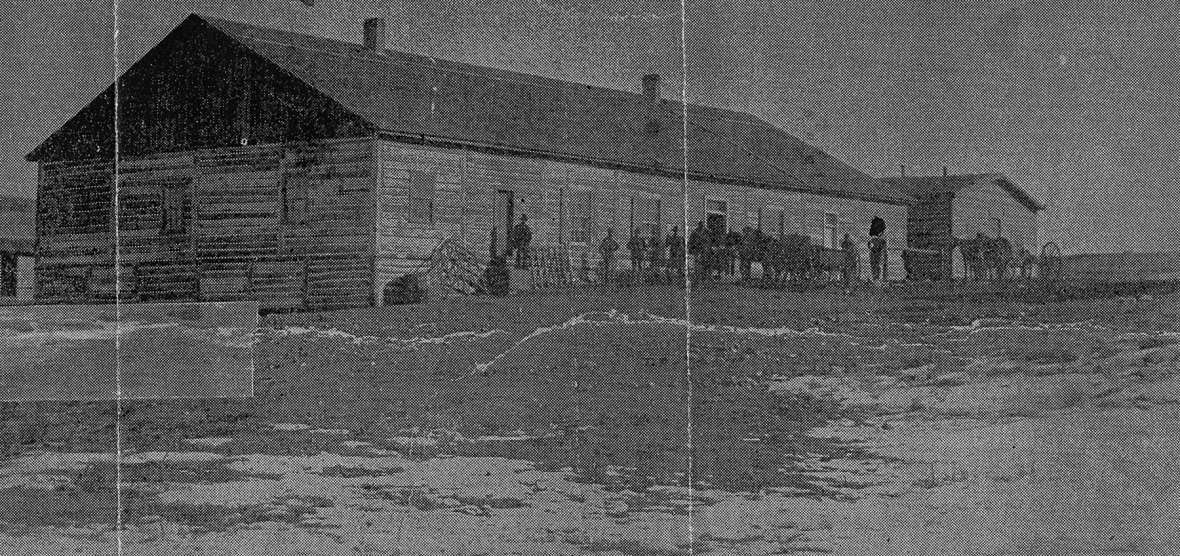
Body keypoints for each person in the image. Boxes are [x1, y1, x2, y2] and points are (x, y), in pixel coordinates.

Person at [868, 216, 887, 282]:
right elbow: (869, 245)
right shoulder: (873, 239)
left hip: (879, 254)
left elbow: (883, 246)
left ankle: (878, 279)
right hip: (874, 253)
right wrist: (872, 249)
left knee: (878, 265)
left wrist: (879, 249)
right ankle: (875, 279)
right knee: (874, 265)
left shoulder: (882, 239)